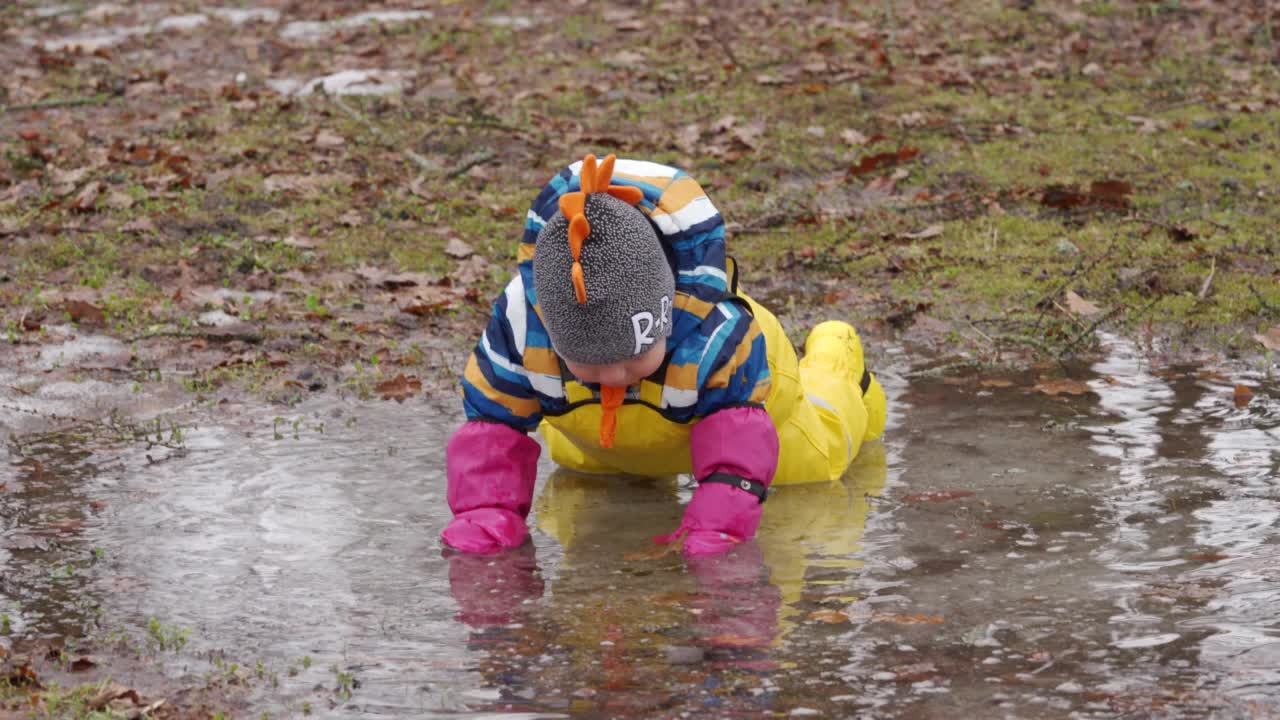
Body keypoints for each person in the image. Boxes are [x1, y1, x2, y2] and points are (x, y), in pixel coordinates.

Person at [442, 153, 887, 557]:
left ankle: (836, 360)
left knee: (816, 465)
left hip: (752, 404)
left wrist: (718, 531)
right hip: (609, 428)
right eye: (589, 366)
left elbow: (739, 455)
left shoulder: (718, 335)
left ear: (663, 319)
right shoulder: (521, 327)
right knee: (584, 471)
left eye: (631, 359)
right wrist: (485, 518)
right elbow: (493, 426)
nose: (613, 377)